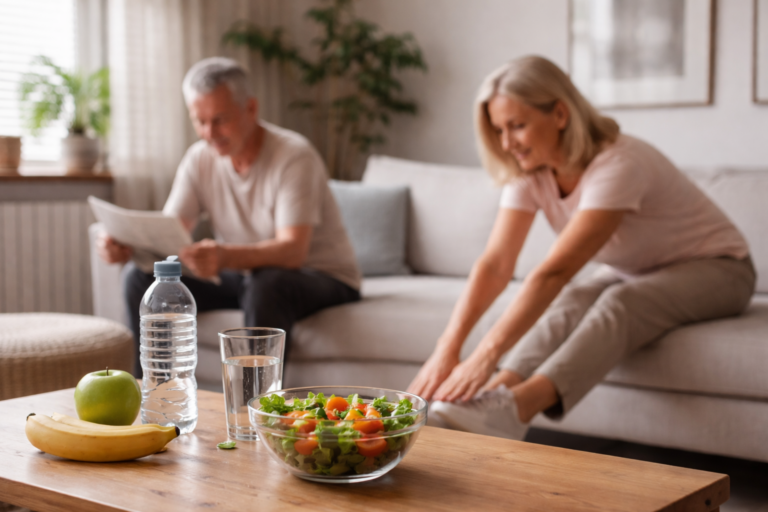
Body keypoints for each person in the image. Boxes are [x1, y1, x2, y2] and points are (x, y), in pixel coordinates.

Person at [408, 56, 755, 440]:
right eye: (499, 130)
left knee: (621, 303)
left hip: (721, 268)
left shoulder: (618, 162)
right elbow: (495, 264)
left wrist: (484, 356)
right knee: (573, 300)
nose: (507, 144)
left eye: (518, 126)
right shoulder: (530, 170)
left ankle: (516, 409)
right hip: (636, 269)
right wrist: (447, 349)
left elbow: (553, 272)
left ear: (559, 114)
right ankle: (493, 397)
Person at [98, 57, 361, 376]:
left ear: (251, 109)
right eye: (200, 121)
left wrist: (223, 256)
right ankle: (153, 391)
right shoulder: (199, 159)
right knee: (141, 277)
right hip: (248, 275)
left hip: (323, 276)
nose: (209, 133)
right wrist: (128, 245)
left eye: (220, 120)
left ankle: (254, 408)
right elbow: (170, 232)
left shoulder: (294, 156)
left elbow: (293, 251)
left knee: (268, 281)